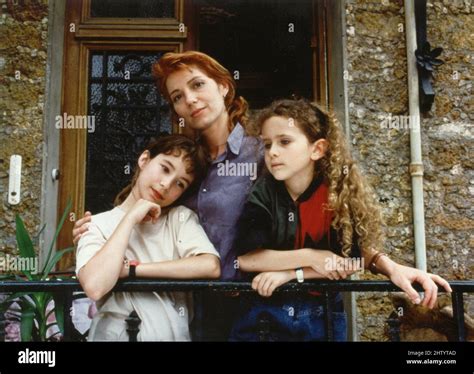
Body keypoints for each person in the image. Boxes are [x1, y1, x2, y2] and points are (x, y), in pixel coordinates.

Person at [74, 51, 264, 340]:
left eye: (197, 85)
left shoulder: (261, 153)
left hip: (252, 307)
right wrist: (96, 231)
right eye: (177, 97)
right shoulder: (189, 163)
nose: (189, 99)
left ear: (224, 86)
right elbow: (148, 199)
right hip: (192, 310)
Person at [229, 99, 453, 341]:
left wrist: (292, 274)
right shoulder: (263, 193)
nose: (272, 152)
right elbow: (246, 260)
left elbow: (351, 260)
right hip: (265, 311)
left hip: (321, 313)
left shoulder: (338, 193)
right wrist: (311, 257)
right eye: (267, 144)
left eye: (284, 142)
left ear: (317, 149)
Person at [76, 135, 221, 341]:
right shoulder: (96, 224)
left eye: (180, 183)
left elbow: (210, 266)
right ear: (144, 160)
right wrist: (130, 218)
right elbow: (95, 286)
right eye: (165, 168)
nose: (166, 184)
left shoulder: (178, 219)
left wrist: (133, 270)